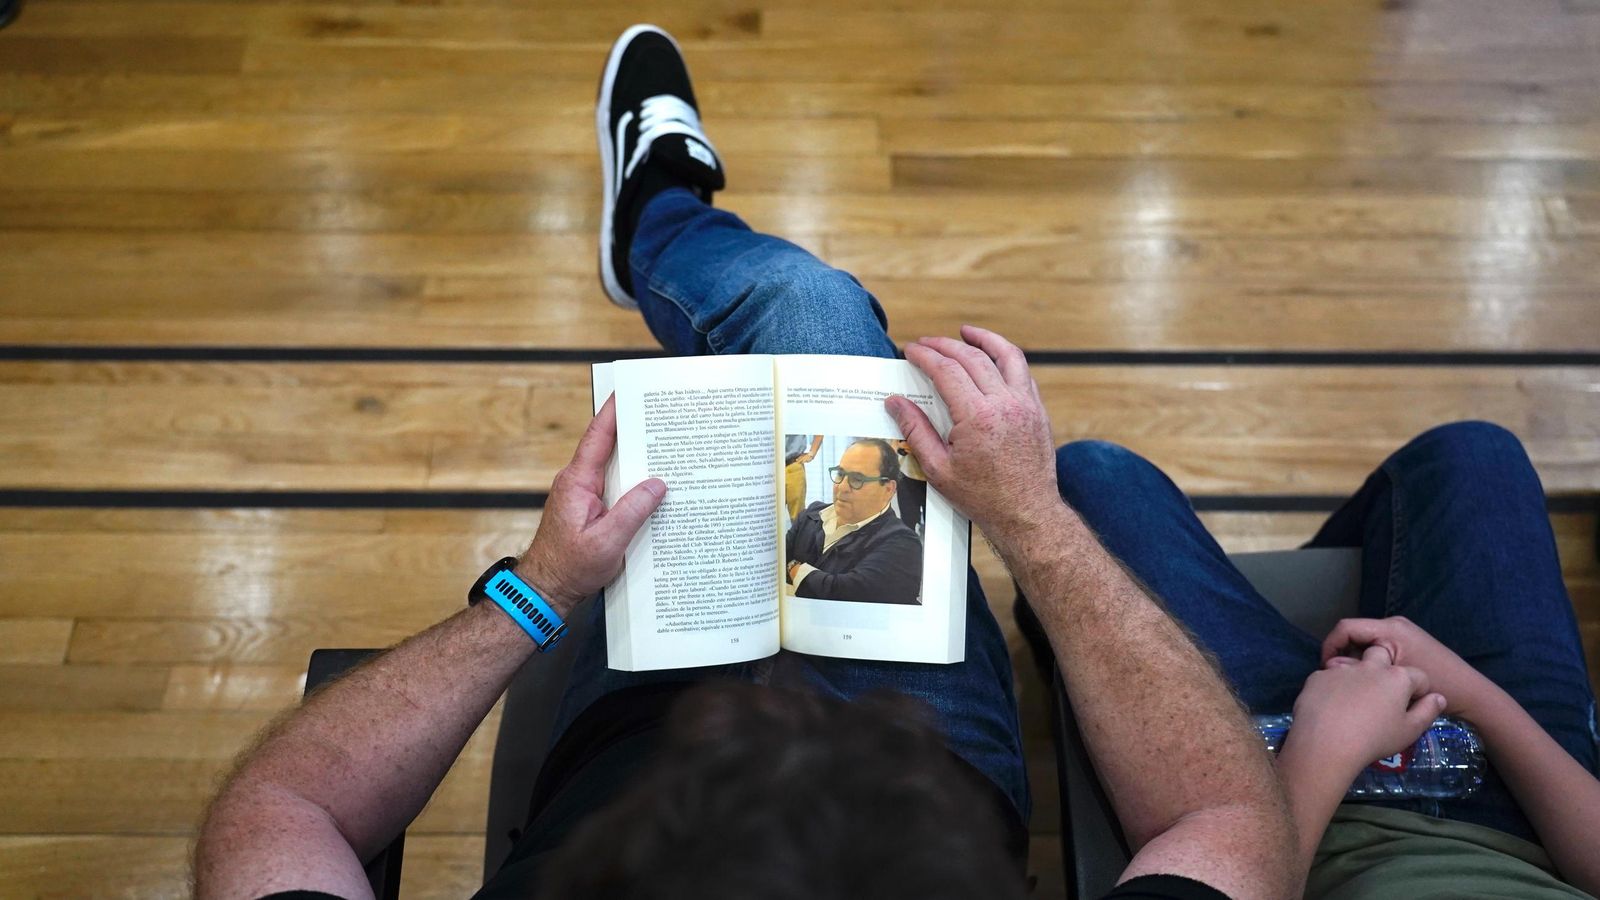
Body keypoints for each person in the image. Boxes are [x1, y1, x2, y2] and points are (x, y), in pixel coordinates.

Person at [192, 24, 1298, 900]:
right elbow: (1233, 827)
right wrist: (1033, 524)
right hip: (923, 751)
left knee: (806, 309)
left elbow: (278, 813)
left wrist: (536, 596)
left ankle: (658, 218)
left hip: (650, 727)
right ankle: (664, 221)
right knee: (817, 314)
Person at [1042, 424, 1600, 897]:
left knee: (1095, 476)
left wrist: (1327, 745)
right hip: (1532, 816)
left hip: (1282, 820)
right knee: (1474, 452)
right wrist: (1473, 694)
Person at [785, 437, 923, 604]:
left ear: (888, 489)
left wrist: (793, 567)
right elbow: (774, 565)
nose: (841, 487)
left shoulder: (903, 543)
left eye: (857, 479)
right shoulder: (812, 514)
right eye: (840, 474)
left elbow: (844, 593)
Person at [784, 433, 824, 521]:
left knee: (797, 518)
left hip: (792, 465)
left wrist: (812, 453)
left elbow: (819, 425)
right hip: (767, 468)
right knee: (768, 515)